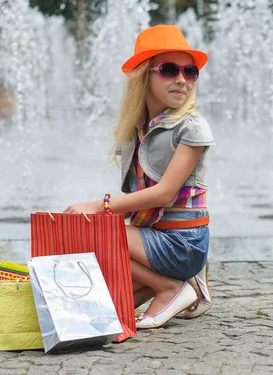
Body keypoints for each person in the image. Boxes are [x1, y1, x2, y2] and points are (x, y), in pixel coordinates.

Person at [63, 25, 214, 329]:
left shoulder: (192, 126)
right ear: (145, 75)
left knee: (91, 229)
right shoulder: (136, 129)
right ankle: (184, 283)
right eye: (170, 70)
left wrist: (100, 207)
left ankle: (172, 286)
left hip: (182, 244)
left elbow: (163, 194)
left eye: (190, 71)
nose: (182, 79)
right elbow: (139, 200)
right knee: (110, 308)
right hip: (154, 238)